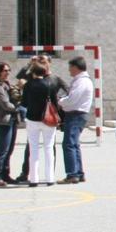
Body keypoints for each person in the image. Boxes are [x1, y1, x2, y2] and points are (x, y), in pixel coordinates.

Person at [13, 54, 67, 183]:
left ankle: (38, 178)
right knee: (39, 148)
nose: (40, 62)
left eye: (43, 60)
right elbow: (20, 76)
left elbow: (67, 89)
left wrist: (61, 100)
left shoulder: (54, 79)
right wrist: (29, 64)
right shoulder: (35, 79)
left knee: (43, 147)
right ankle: (30, 173)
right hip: (45, 119)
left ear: (49, 63)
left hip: (38, 117)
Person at [20, 62, 60, 188]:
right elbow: (55, 103)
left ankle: (34, 179)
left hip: (32, 119)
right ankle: (50, 178)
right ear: (44, 72)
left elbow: (24, 103)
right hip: (48, 119)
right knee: (49, 148)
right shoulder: (50, 85)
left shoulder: (28, 85)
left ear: (33, 72)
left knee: (33, 148)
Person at [59, 56, 94, 184]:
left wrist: (60, 102)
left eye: (70, 67)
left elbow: (72, 99)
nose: (69, 70)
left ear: (75, 67)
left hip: (75, 114)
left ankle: (72, 174)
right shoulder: (81, 80)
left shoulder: (81, 82)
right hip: (77, 114)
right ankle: (78, 172)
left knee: (69, 144)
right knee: (74, 144)